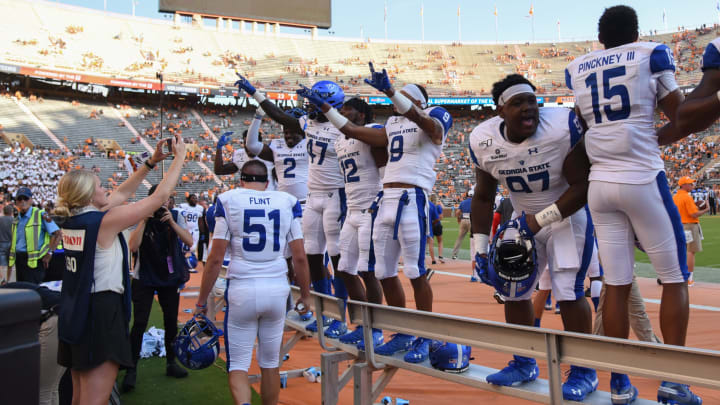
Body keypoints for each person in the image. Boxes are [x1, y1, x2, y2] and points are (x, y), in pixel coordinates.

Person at [565, 5, 701, 403]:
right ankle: (675, 380)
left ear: (601, 37)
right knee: (674, 277)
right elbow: (682, 115)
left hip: (599, 185)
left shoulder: (578, 67)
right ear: (637, 32)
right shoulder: (650, 54)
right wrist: (656, 136)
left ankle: (619, 381)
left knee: (617, 283)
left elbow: (582, 124)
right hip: (641, 177)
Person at [312, 62, 452, 363]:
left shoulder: (436, 113)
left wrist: (391, 92)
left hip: (412, 196)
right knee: (383, 271)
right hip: (385, 197)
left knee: (414, 271)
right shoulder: (391, 124)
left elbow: (433, 129)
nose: (395, 102)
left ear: (416, 101)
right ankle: (400, 333)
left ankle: (424, 338)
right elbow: (351, 130)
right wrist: (326, 109)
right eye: (394, 97)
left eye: (402, 97)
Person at [469, 74, 597, 401]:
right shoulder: (483, 140)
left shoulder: (563, 126)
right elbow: (483, 197)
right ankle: (524, 361)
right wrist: (480, 249)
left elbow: (583, 187)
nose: (528, 109)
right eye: (518, 103)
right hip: (523, 217)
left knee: (568, 290)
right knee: (512, 290)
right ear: (500, 111)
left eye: (532, 101)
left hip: (566, 214)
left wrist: (537, 221)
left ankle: (584, 369)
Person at [53, 136, 185, 405]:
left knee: (79, 396)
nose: (106, 190)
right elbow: (159, 197)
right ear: (89, 195)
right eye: (101, 187)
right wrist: (180, 157)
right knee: (95, 399)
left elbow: (122, 194)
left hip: (76, 310)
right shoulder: (104, 222)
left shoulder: (75, 219)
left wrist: (150, 163)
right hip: (100, 311)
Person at [235, 74, 349, 336]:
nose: (308, 107)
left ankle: (341, 314)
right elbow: (279, 115)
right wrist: (256, 92)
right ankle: (324, 311)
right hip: (314, 196)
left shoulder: (342, 126)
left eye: (315, 103)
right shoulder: (308, 124)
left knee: (335, 253)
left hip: (335, 194)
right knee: (311, 253)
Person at [194, 160, 312, 405]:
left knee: (237, 364)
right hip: (276, 289)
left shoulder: (229, 200)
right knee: (270, 363)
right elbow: (299, 257)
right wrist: (306, 295)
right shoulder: (286, 201)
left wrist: (202, 300)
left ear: (241, 181)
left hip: (242, 289)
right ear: (268, 182)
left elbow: (215, 259)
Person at [299, 94, 387, 347]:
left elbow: (383, 168)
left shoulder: (373, 131)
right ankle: (360, 323)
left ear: (360, 114)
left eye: (347, 111)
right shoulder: (341, 141)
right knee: (346, 268)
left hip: (370, 207)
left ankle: (376, 329)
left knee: (368, 271)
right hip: (351, 208)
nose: (342, 115)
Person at [122, 184, 194, 392]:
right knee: (140, 322)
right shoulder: (140, 216)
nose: (163, 204)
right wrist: (144, 219)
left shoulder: (175, 216)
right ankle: (131, 368)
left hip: (168, 276)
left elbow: (189, 241)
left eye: (166, 200)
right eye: (159, 200)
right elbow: (132, 246)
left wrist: (172, 222)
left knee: (171, 320)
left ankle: (171, 362)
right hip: (144, 275)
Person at [8, 187, 61, 284]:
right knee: (23, 293)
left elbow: (58, 234)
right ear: (16, 202)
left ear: (31, 200)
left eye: (26, 198)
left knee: (34, 294)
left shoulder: (41, 214)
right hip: (19, 261)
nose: (23, 201)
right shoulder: (16, 219)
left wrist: (49, 253)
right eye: (20, 199)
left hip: (36, 263)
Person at [673, 176, 709, 287]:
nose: (692, 185)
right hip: (689, 225)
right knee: (690, 251)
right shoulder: (687, 197)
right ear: (683, 185)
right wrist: (706, 209)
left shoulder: (675, 197)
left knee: (680, 251)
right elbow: (693, 214)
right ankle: (689, 278)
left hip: (678, 225)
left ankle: (676, 275)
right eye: (690, 183)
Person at [452, 190, 472, 260]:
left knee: (460, 238)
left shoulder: (463, 202)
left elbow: (457, 212)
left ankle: (454, 254)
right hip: (471, 220)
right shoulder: (475, 202)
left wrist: (459, 219)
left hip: (463, 220)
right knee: (473, 239)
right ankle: (474, 254)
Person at [429, 195, 445, 263]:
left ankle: (433, 259)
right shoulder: (438, 206)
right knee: (440, 241)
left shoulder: (428, 206)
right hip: (437, 225)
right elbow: (441, 217)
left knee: (430, 243)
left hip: (430, 225)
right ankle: (440, 257)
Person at [0, 204, 13, 284]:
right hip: (11, 243)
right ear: (11, 212)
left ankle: (2, 278)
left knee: (0, 263)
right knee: (10, 263)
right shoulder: (14, 220)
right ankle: (8, 280)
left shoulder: (0, 220)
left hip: (1, 242)